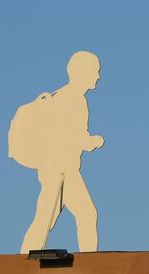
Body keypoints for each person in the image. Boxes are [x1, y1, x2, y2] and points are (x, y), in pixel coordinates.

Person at [18, 51, 105, 254]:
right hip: (61, 170)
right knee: (84, 215)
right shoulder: (73, 99)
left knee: (46, 218)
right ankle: (91, 263)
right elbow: (71, 137)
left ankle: (23, 259)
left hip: (60, 170)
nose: (98, 76)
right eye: (95, 71)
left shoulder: (66, 97)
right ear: (83, 72)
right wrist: (92, 141)